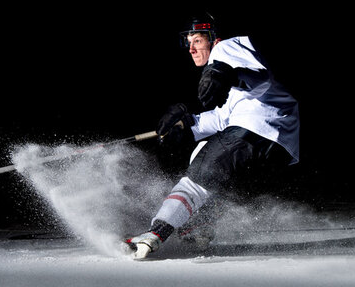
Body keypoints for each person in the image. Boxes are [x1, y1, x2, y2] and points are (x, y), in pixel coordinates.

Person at [124, 14, 300, 258]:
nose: (191, 48)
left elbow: (261, 79)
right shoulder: (230, 77)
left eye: (197, 40)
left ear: (213, 39)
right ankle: (200, 228)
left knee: (196, 180)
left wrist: (224, 73)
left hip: (255, 131)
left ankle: (156, 231)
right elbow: (222, 117)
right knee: (216, 180)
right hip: (279, 150)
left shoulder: (226, 48)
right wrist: (186, 127)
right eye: (188, 42)